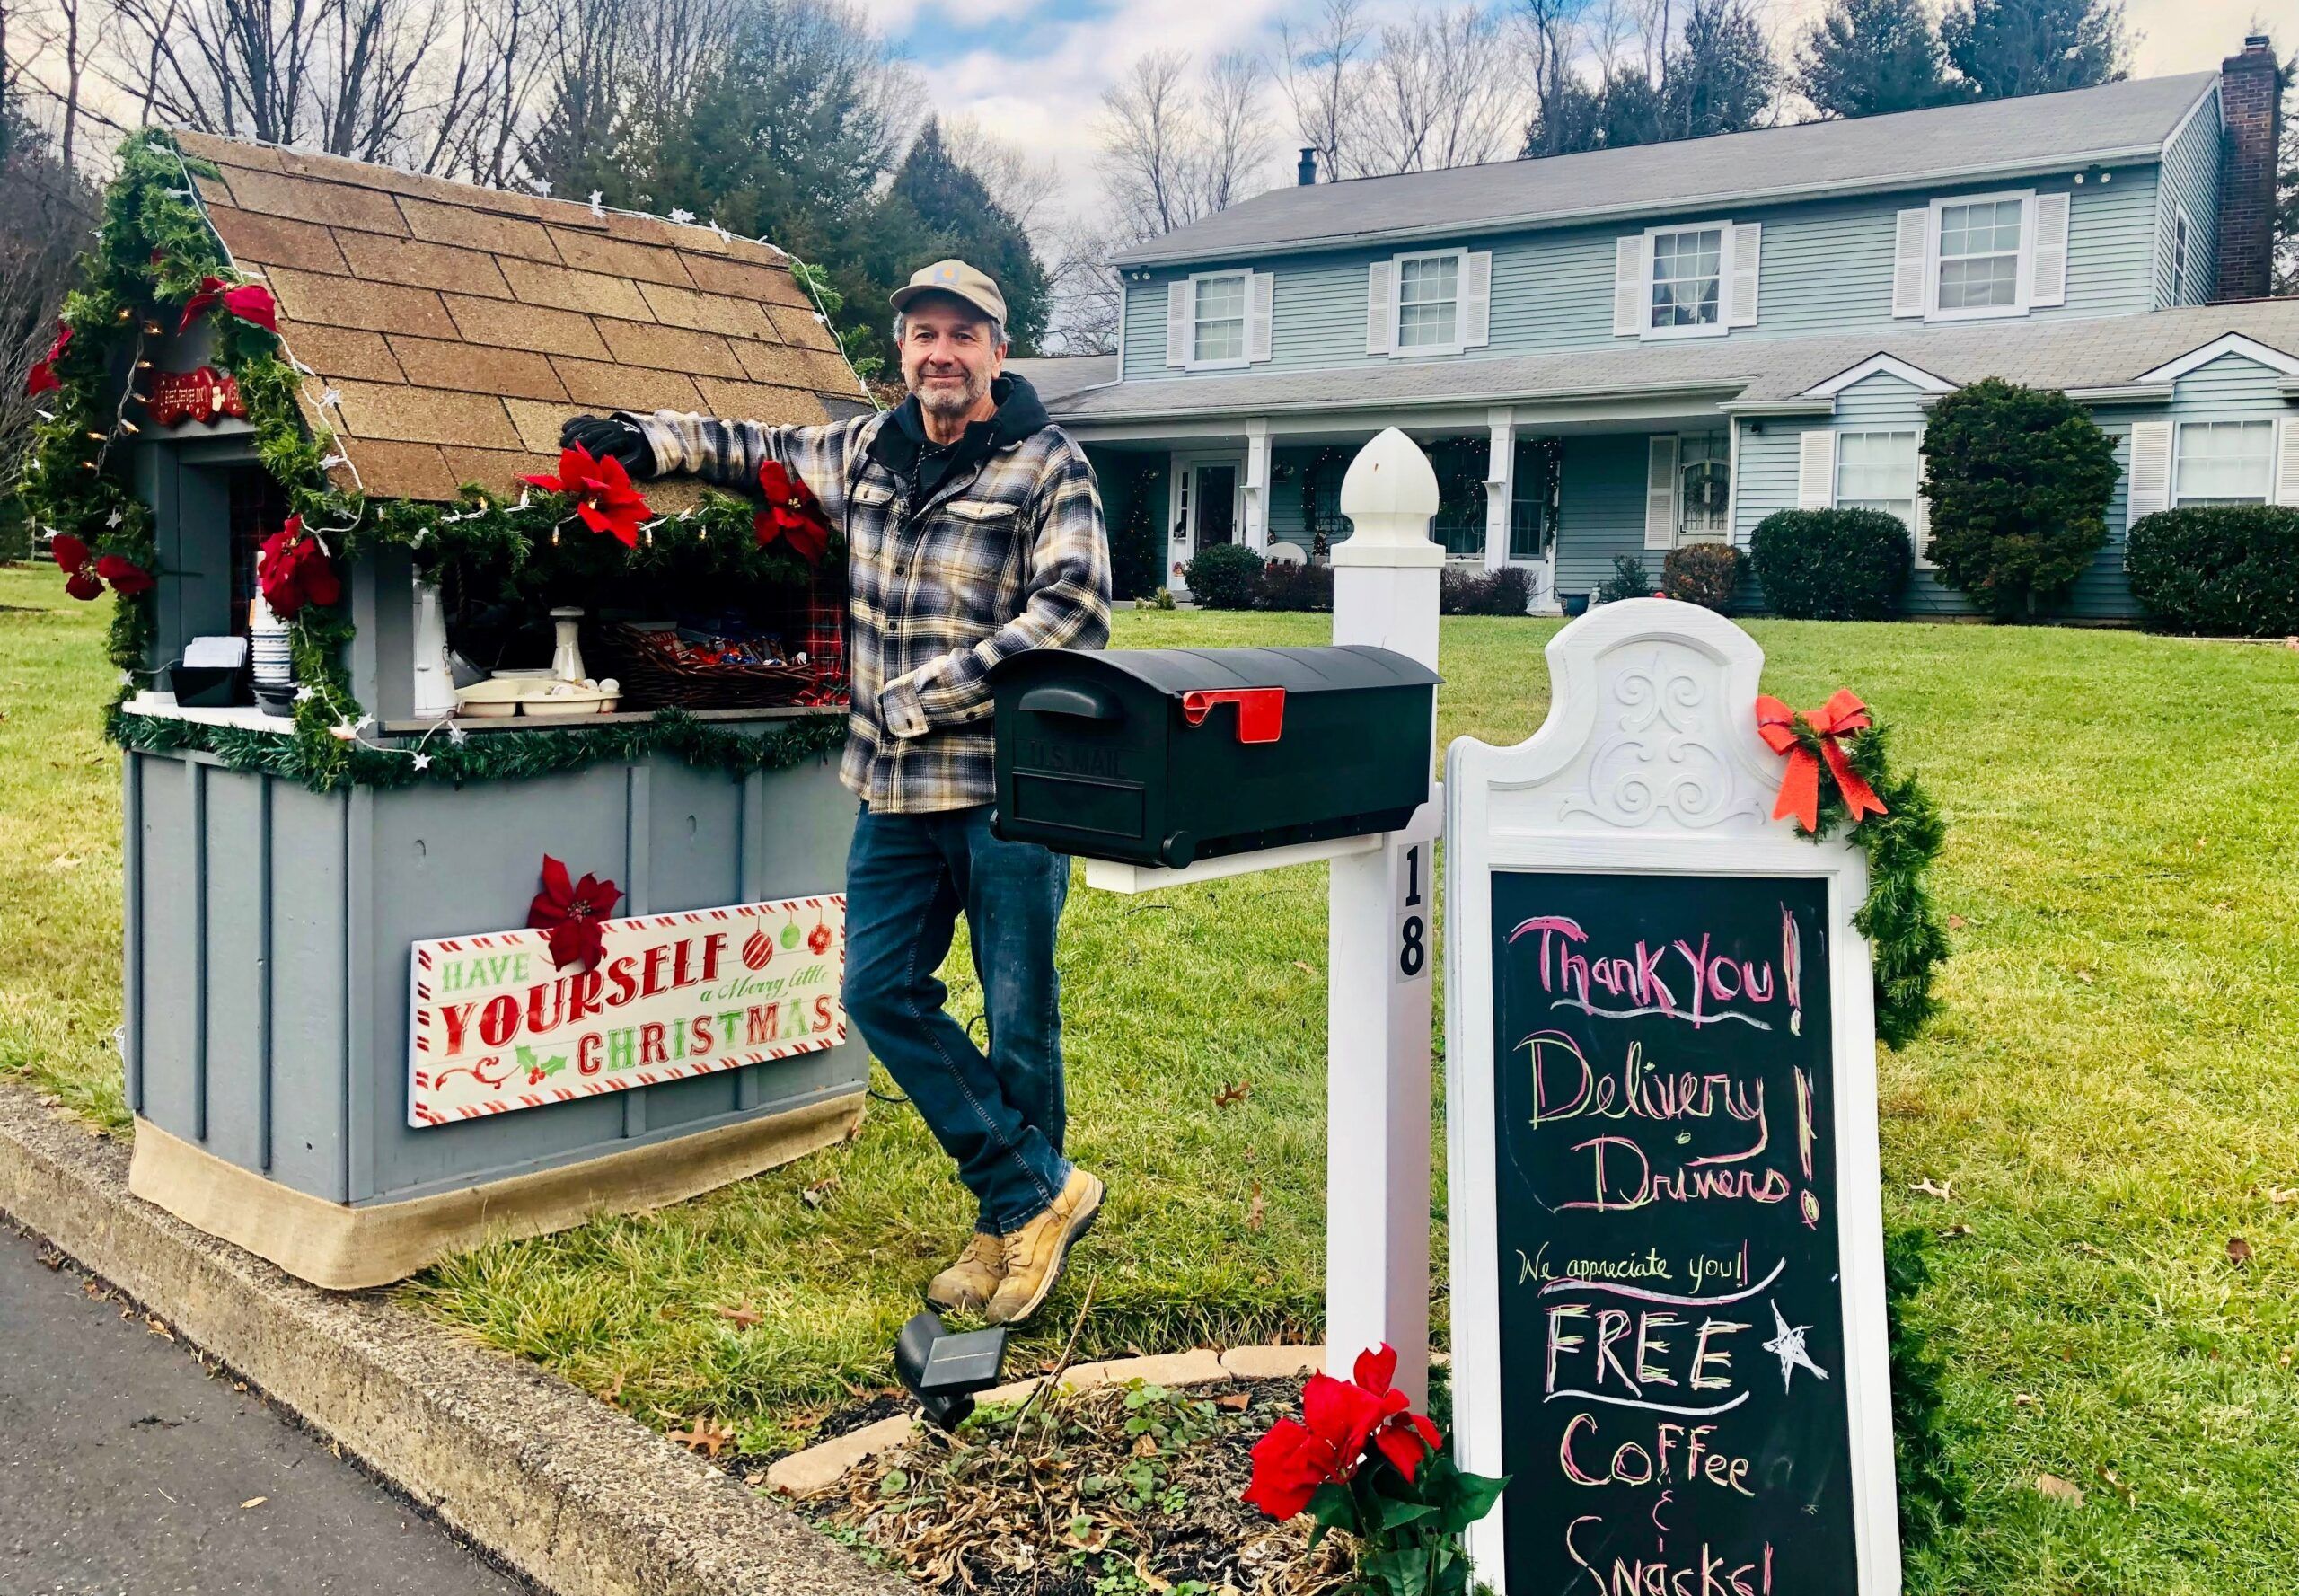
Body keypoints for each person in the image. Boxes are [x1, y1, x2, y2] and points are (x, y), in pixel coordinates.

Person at [559, 260, 1111, 1327]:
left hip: (1007, 788)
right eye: (922, 335)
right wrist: (650, 438)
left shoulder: (1050, 466)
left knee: (1019, 1018)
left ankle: (1011, 1221)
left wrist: (935, 691)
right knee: (874, 991)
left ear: (999, 349)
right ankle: (1036, 1188)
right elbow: (757, 449)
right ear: (900, 351)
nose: (940, 353)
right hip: (892, 788)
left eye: (963, 333)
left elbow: (1074, 616)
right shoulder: (867, 447)